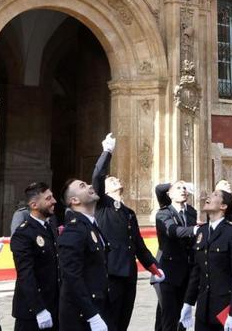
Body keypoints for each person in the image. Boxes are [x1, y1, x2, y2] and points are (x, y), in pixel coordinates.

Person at [91, 133, 165, 331]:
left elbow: (138, 245)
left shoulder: (129, 213)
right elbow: (98, 176)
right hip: (110, 274)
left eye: (115, 178)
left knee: (123, 321)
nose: (115, 179)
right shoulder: (101, 205)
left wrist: (154, 267)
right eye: (111, 179)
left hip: (129, 274)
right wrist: (107, 151)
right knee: (109, 322)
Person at [180, 189, 232, 331]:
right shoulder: (202, 231)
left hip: (226, 308)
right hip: (204, 309)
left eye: (215, 195)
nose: (208, 196)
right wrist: (188, 302)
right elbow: (197, 271)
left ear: (223, 206)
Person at [58, 178, 110, 331]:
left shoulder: (91, 226)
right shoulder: (74, 229)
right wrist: (92, 315)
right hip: (81, 314)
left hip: (98, 304)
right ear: (74, 200)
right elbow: (72, 276)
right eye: (83, 186)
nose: (90, 186)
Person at [11, 182, 60, 331]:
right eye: (48, 198)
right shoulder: (23, 234)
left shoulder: (50, 226)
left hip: (53, 305)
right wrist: (38, 309)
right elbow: (26, 274)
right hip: (31, 312)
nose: (54, 201)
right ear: (34, 205)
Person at [155, 180, 198, 331]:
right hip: (167, 271)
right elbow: (173, 231)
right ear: (170, 194)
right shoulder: (164, 213)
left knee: (182, 314)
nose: (183, 190)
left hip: (186, 271)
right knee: (169, 315)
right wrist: (195, 229)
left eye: (185, 188)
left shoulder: (192, 211)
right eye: (178, 188)